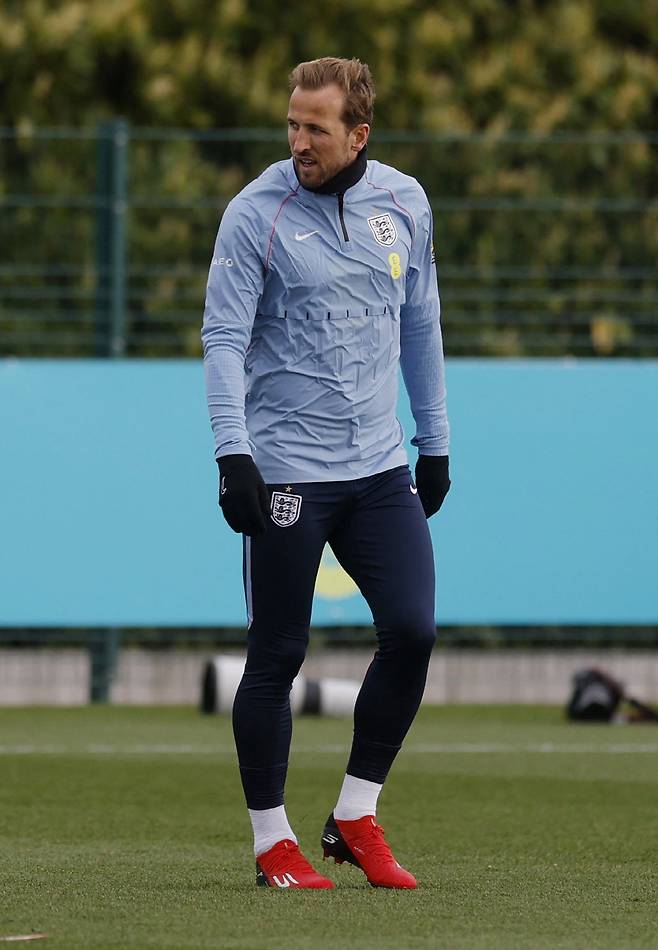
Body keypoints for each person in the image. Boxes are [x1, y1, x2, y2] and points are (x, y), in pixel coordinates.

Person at [202, 57, 450, 890]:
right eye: (292, 124)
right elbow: (222, 338)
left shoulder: (405, 203)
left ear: (359, 134)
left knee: (413, 632)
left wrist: (435, 441)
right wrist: (233, 452)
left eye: (316, 128)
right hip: (285, 473)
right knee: (278, 653)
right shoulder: (255, 212)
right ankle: (272, 842)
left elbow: (421, 322)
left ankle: (354, 815)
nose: (299, 142)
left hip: (379, 467)